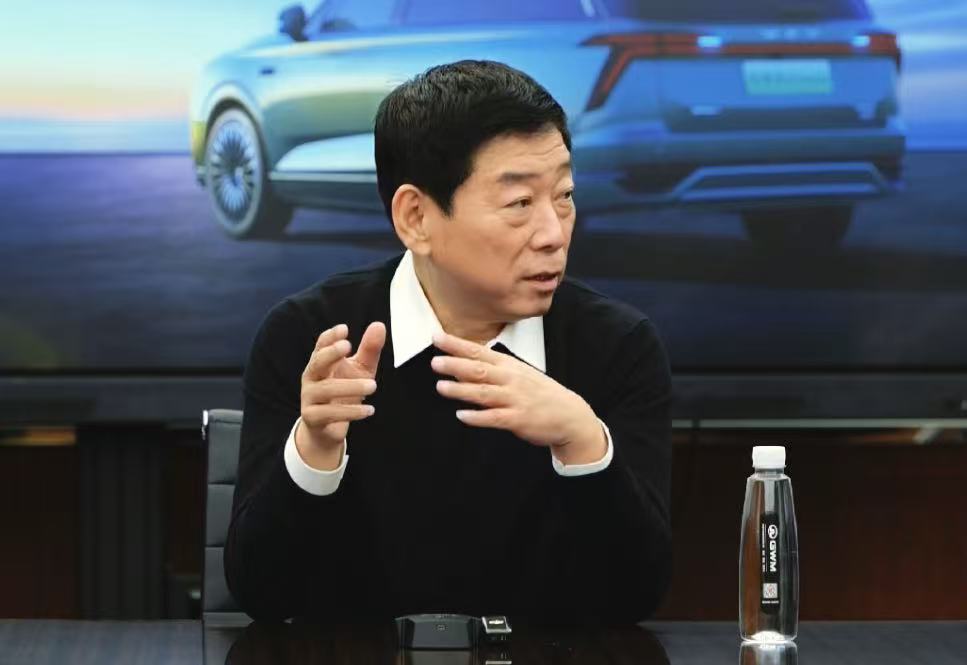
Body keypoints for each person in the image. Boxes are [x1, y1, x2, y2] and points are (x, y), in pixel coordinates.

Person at [226, 60, 673, 625]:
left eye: (564, 195)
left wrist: (582, 441)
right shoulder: (313, 340)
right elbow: (261, 595)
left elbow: (636, 598)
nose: (554, 233)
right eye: (520, 203)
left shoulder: (616, 347)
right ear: (416, 217)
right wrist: (314, 447)